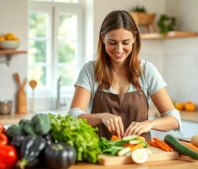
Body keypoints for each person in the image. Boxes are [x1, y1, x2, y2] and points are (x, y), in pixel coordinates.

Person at [68, 10, 181, 141]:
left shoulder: (147, 71)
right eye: (112, 42)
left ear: (134, 38)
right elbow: (73, 116)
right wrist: (101, 117)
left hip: (140, 155)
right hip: (101, 156)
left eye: (125, 42)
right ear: (102, 38)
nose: (119, 50)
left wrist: (150, 123)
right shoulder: (89, 70)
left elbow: (174, 119)